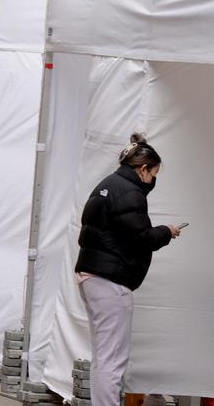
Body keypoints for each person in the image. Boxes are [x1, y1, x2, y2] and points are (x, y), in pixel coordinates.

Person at [74, 134, 180, 406]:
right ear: (143, 169)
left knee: (102, 357)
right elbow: (142, 238)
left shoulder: (106, 185)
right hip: (111, 281)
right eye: (154, 173)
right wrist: (166, 232)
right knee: (112, 360)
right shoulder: (130, 192)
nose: (154, 180)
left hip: (91, 276)